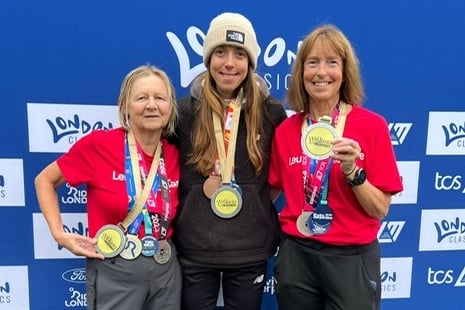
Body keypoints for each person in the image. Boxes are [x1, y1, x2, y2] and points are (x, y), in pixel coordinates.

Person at [268, 24, 403, 310]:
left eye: (332, 62)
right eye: (312, 63)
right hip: (297, 255)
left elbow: (380, 209)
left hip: (351, 258)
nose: (321, 72)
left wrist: (354, 172)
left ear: (345, 72)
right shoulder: (286, 130)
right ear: (301, 72)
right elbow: (269, 192)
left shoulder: (372, 126)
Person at [34, 65, 182, 310]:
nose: (152, 105)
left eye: (160, 98)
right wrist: (59, 234)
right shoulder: (99, 145)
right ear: (125, 106)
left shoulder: (175, 153)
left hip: (165, 267)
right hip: (116, 266)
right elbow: (45, 180)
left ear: (170, 106)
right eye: (141, 98)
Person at [173, 12, 287, 310]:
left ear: (250, 63)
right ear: (208, 59)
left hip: (249, 246)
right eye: (220, 52)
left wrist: (253, 199)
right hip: (195, 245)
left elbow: (277, 177)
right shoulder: (182, 112)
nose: (229, 63)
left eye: (239, 54)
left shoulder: (272, 113)